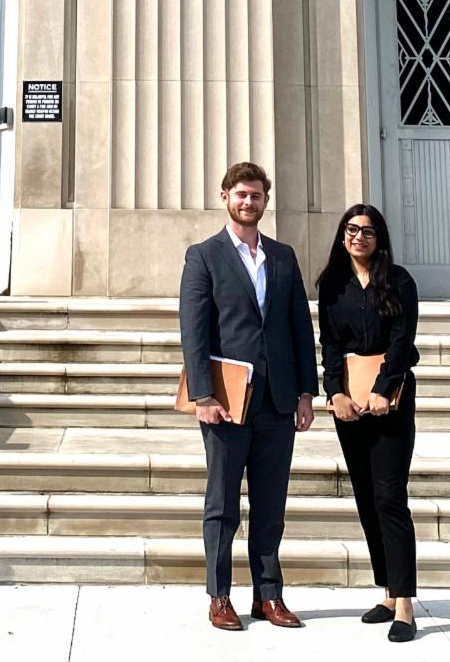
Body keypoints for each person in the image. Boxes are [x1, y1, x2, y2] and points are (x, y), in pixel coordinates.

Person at [179, 161, 319, 632]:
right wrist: (202, 394)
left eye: (256, 195)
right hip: (226, 403)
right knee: (222, 504)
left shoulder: (283, 257)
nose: (248, 202)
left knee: (270, 504)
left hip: (278, 402)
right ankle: (220, 596)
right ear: (225, 197)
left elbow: (300, 327)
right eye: (241, 194)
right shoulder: (204, 256)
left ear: (264, 200)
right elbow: (194, 333)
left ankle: (268, 595)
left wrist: (306, 391)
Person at [318, 204, 420, 643]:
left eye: (368, 231)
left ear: (380, 238)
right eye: (351, 229)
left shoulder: (398, 281)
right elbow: (330, 343)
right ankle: (385, 590)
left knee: (390, 496)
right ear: (342, 235)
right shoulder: (333, 286)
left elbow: (403, 340)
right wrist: (335, 392)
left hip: (389, 398)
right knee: (365, 497)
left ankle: (405, 604)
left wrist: (383, 387)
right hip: (349, 403)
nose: (358, 236)